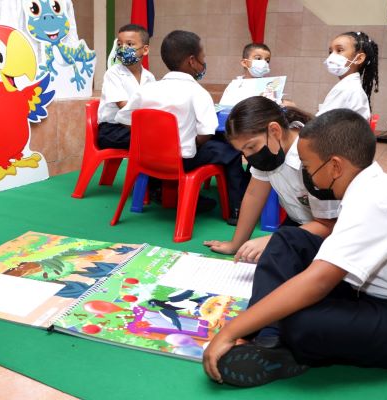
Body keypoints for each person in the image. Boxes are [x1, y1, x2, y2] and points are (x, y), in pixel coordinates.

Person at [202, 108, 387, 388]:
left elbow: (319, 282)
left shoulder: (372, 202)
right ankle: (268, 339)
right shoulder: (367, 184)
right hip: (380, 296)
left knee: (300, 322)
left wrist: (230, 331)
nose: (308, 176)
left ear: (335, 166)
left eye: (309, 168)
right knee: (287, 239)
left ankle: (277, 338)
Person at [116, 30, 248, 222]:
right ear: (192, 61)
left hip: (147, 159)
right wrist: (186, 141)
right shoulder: (198, 93)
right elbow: (206, 133)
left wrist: (151, 142)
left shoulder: (146, 90)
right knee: (231, 151)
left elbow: (125, 118)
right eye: (203, 58)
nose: (204, 63)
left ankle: (169, 193)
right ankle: (237, 211)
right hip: (183, 160)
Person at [204, 96, 338, 263]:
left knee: (278, 263)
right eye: (243, 151)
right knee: (265, 258)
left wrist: (273, 240)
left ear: (275, 130)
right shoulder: (271, 149)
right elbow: (254, 195)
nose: (249, 156)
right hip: (300, 223)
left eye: (252, 146)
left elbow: (329, 225)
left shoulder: (313, 156)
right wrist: (235, 244)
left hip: (333, 232)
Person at [97, 24, 155, 150]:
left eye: (129, 44)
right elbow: (124, 107)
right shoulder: (113, 73)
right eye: (119, 44)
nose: (123, 48)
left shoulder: (149, 77)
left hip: (137, 126)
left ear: (145, 50)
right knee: (153, 139)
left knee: (161, 136)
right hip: (112, 130)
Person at [317, 31, 379, 121]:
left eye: (339, 50)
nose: (332, 56)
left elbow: (320, 127)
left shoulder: (347, 89)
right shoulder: (348, 87)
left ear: (358, 58)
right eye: (330, 52)